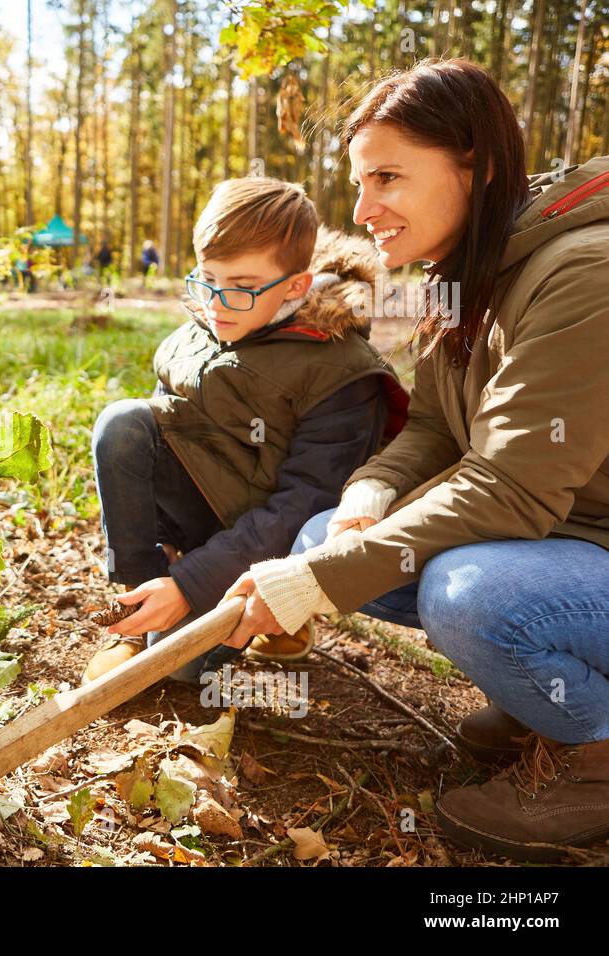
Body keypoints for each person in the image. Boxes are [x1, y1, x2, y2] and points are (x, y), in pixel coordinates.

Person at [221, 59, 609, 862]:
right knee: (328, 531)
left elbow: (511, 482)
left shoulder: (585, 273)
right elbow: (433, 426)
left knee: (471, 598)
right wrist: (370, 492)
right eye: (360, 182)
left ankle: (598, 747)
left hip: (566, 535)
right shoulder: (461, 271)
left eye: (388, 177)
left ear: (481, 165)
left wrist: (324, 579)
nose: (363, 210)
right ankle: (555, 699)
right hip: (568, 536)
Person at [84, 177, 406, 684]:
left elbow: (301, 507)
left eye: (240, 286)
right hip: (208, 519)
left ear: (296, 286)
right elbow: (166, 436)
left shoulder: (343, 374)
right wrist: (163, 549)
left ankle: (278, 613)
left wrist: (191, 585)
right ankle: (137, 612)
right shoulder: (202, 328)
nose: (215, 303)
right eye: (207, 278)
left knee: (183, 674)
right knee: (123, 424)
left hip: (269, 544)